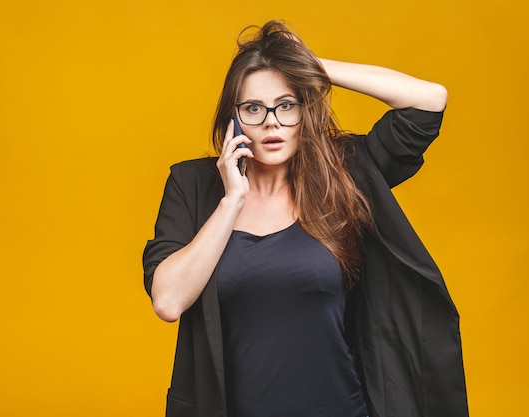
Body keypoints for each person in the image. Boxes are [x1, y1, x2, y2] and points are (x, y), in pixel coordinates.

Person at [143, 20, 468, 417]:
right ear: (234, 118)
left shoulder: (344, 172)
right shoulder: (192, 185)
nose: (271, 122)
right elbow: (168, 301)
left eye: (286, 105)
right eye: (253, 108)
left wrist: (304, 63)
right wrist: (232, 200)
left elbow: (428, 100)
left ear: (304, 108)